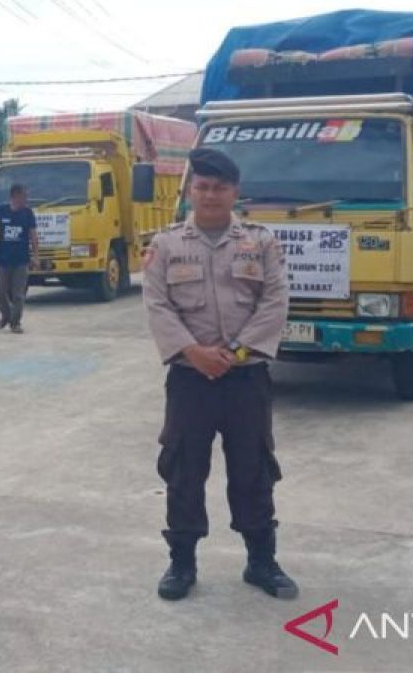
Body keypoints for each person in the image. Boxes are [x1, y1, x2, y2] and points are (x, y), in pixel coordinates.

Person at [141, 146, 297, 602]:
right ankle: (182, 563)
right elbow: (157, 305)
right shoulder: (166, 245)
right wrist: (193, 352)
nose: (210, 195)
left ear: (235, 192)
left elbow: (275, 302)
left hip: (246, 377)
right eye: (203, 186)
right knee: (184, 469)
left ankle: (261, 561)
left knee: (253, 468)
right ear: (191, 190)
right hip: (190, 380)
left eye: (220, 187)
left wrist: (236, 351)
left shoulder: (261, 242)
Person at [0, 184, 38, 333]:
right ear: (15, 196)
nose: (26, 199)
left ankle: (15, 322)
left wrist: (36, 256)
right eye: (24, 196)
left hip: (21, 260)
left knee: (18, 294)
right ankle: (6, 315)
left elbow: (33, 235)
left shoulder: (28, 213)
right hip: (3, 259)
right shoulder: (0, 210)